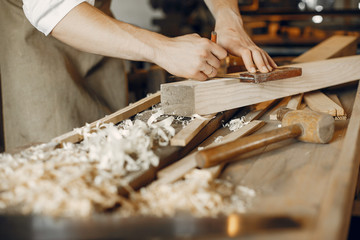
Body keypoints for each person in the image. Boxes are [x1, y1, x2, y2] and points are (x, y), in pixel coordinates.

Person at [0, 0, 276, 151]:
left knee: (115, 148)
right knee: (54, 165)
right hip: (38, 39)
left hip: (100, 27)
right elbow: (52, 7)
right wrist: (162, 48)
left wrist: (229, 17)